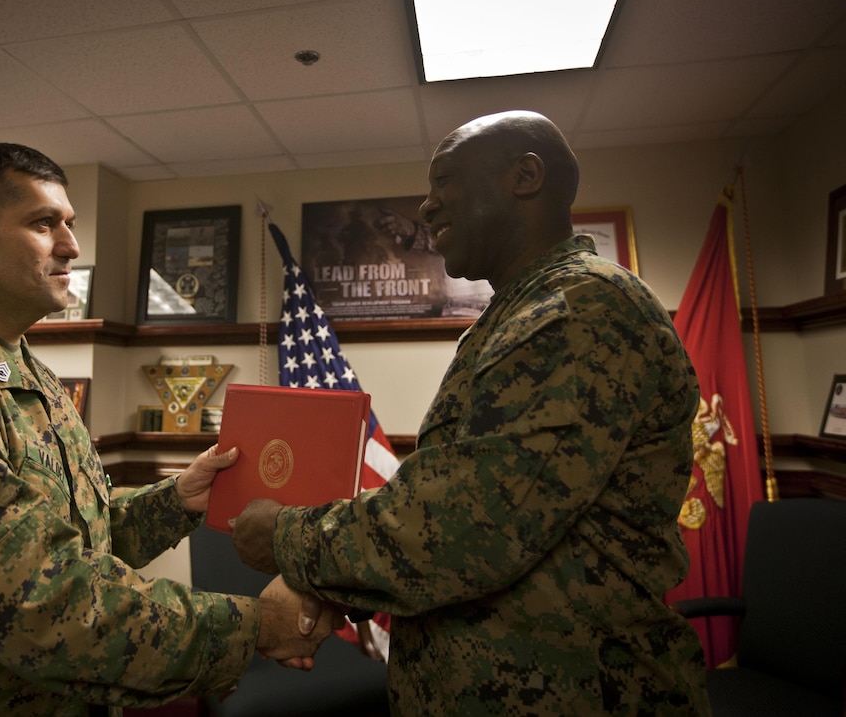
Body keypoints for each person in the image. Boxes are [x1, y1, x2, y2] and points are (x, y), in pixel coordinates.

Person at [0, 142, 340, 716]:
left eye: (69, 223)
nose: (72, 246)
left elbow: (81, 538)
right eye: (42, 223)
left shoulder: (23, 368)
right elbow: (43, 603)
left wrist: (179, 501)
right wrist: (257, 626)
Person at [232, 111, 711, 715]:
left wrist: (285, 537)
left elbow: (462, 527)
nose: (426, 208)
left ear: (526, 176)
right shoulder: (521, 315)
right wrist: (336, 585)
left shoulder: (580, 310)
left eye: (445, 181)